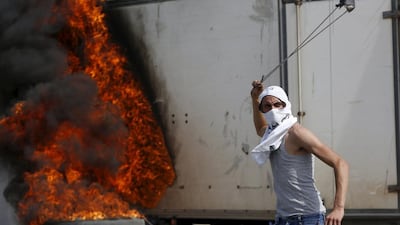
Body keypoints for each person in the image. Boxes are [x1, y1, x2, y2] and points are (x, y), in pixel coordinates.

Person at [250, 80, 349, 225]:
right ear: (263, 110)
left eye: (278, 104)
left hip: (308, 217)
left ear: (286, 105)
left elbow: (341, 163)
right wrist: (254, 99)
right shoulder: (272, 133)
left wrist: (339, 208)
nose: (273, 110)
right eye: (268, 106)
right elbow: (260, 128)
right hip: (283, 218)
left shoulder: (296, 133)